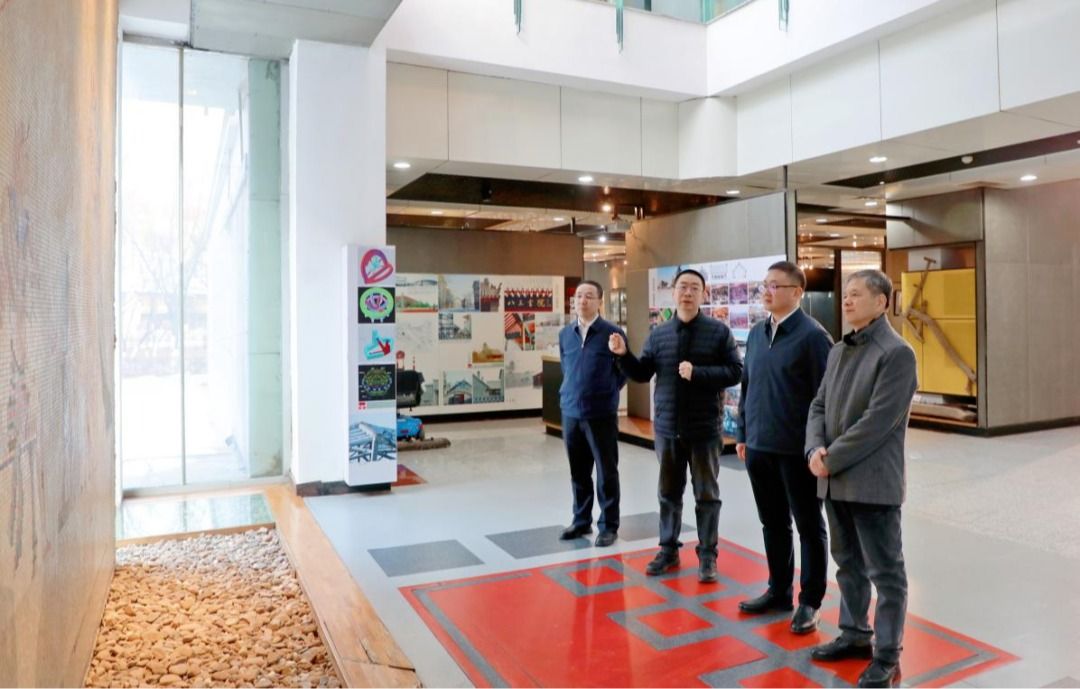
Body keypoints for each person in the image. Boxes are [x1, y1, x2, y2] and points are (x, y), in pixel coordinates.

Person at [805, 269, 918, 689]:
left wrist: (830, 458)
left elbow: (878, 423)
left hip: (872, 484)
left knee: (886, 573)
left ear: (881, 302)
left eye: (856, 294)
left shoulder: (897, 354)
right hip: (833, 480)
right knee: (848, 564)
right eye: (846, 294)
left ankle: (887, 654)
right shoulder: (838, 350)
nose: (847, 300)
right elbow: (818, 405)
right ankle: (854, 633)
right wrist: (813, 449)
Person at [609, 268, 742, 582]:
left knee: (706, 495)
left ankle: (707, 556)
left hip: (704, 429)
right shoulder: (659, 334)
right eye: (683, 287)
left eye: (695, 287)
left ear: (704, 294)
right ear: (673, 293)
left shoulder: (718, 332)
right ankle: (668, 550)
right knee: (668, 493)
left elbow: (736, 371)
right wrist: (623, 355)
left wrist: (699, 373)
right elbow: (642, 373)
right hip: (668, 428)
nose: (688, 292)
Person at [736, 261, 833, 634]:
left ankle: (810, 601)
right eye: (764, 284)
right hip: (759, 447)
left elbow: (825, 399)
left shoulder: (813, 337)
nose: (766, 290)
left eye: (774, 285)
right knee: (773, 522)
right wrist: (743, 433)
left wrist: (817, 447)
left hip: (797, 451)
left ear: (797, 292)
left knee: (808, 525)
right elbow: (748, 386)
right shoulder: (757, 333)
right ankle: (779, 590)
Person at [558, 280, 628, 547]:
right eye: (578, 296)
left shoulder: (612, 333)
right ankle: (581, 520)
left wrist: (606, 392)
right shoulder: (566, 334)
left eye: (589, 296)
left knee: (606, 471)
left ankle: (608, 525)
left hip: (601, 414)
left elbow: (622, 371)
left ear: (600, 301)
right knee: (578, 470)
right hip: (571, 411)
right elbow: (567, 367)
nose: (582, 300)